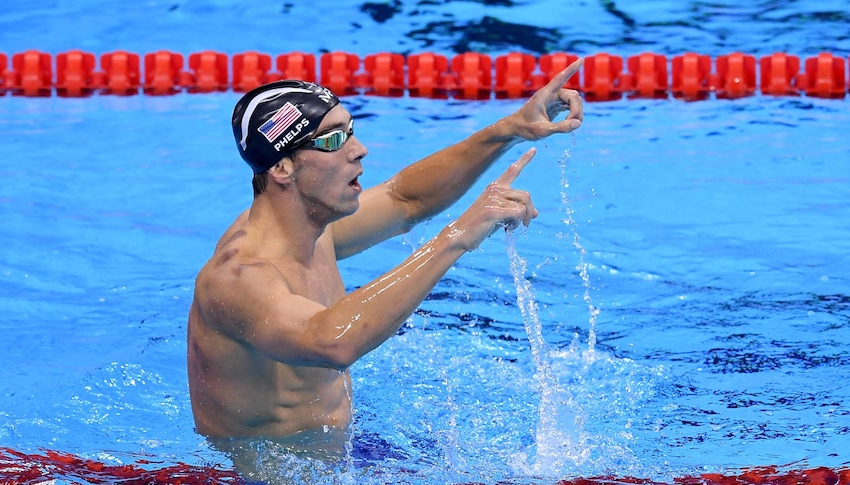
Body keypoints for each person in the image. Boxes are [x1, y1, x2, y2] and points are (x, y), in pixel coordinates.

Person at [186, 59, 585, 450]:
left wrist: (510, 129)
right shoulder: (237, 279)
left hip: (338, 459)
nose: (359, 150)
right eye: (333, 140)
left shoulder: (310, 226)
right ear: (283, 168)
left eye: (351, 131)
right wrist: (461, 234)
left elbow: (407, 198)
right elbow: (332, 343)